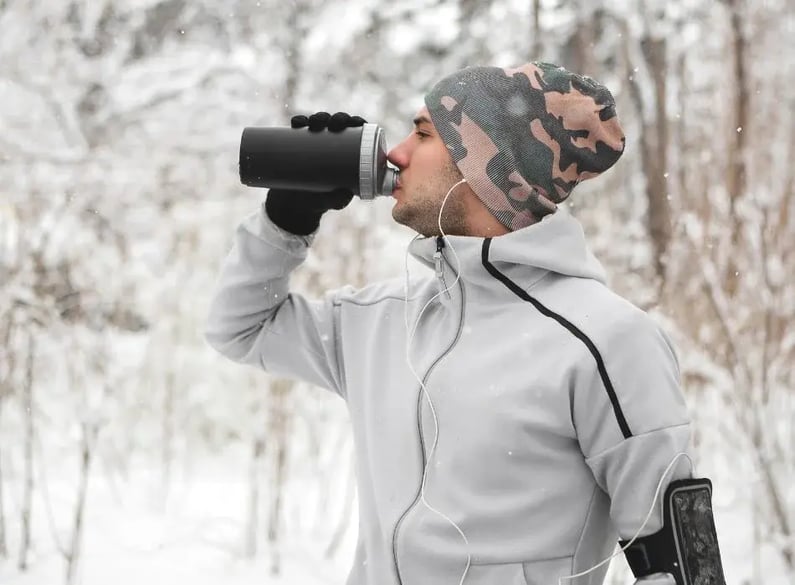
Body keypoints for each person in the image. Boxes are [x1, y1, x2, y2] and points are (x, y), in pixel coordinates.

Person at [206, 62, 726, 585]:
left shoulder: (606, 340)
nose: (396, 154)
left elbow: (682, 568)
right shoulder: (380, 320)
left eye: (424, 133)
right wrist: (287, 221)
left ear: (485, 166)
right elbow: (240, 327)